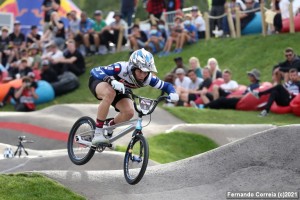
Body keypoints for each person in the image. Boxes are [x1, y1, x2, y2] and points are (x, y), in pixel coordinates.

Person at [89, 48, 179, 145]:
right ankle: (98, 132)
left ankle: (109, 127)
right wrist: (111, 81)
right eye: (140, 71)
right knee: (110, 93)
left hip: (120, 89)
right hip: (101, 82)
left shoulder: (148, 78)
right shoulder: (121, 67)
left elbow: (166, 86)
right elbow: (95, 70)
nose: (142, 75)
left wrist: (173, 93)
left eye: (146, 72)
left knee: (129, 112)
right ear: (132, 67)